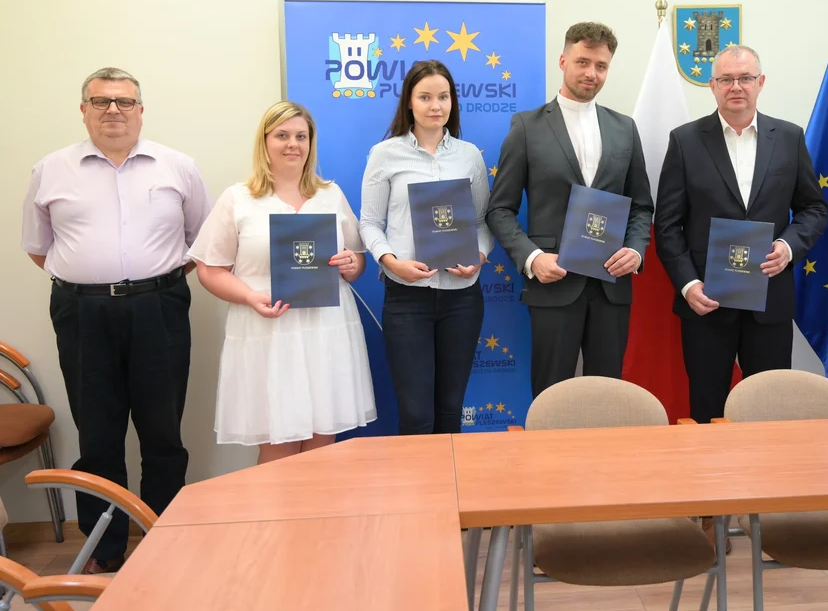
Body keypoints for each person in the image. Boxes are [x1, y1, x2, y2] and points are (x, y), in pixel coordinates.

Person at [21, 67, 211, 574]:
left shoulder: (178, 166)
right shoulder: (51, 169)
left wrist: (148, 282)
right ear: (83, 110)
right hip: (82, 313)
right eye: (101, 101)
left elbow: (201, 240)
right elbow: (39, 248)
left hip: (159, 308)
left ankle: (164, 539)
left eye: (124, 102)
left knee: (163, 433)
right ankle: (103, 550)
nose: (113, 111)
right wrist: (93, 281)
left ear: (140, 110)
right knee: (97, 435)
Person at [189, 101, 376, 464]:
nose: (293, 144)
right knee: (279, 447)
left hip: (325, 331)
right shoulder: (239, 198)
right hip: (268, 333)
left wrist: (352, 263)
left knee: (323, 443)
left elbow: (356, 261)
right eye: (282, 135)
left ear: (311, 143)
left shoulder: (330, 195)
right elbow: (210, 270)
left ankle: (317, 506)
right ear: (264, 141)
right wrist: (249, 296)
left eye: (301, 136)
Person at [655, 45, 828, 423]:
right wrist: (688, 285)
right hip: (707, 302)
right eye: (726, 79)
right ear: (712, 85)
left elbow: (814, 209)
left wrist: (788, 246)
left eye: (745, 78)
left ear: (760, 82)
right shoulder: (685, 140)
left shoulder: (789, 137)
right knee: (706, 408)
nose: (736, 86)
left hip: (770, 298)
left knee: (768, 409)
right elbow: (667, 225)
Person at [486, 22, 654, 398]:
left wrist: (636, 249)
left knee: (608, 397)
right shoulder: (526, 127)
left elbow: (642, 205)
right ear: (563, 61)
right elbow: (500, 209)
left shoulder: (625, 128)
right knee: (552, 397)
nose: (591, 73)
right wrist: (532, 258)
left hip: (611, 284)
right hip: (553, 282)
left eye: (601, 66)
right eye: (582, 62)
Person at [360, 60, 493, 435]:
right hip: (407, 298)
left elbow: (482, 221)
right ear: (409, 102)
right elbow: (369, 222)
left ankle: (450, 478)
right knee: (417, 415)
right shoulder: (385, 153)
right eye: (425, 97)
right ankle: (418, 478)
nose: (436, 106)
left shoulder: (469, 155)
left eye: (443, 97)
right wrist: (391, 262)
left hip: (462, 298)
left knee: (450, 411)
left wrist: (479, 257)